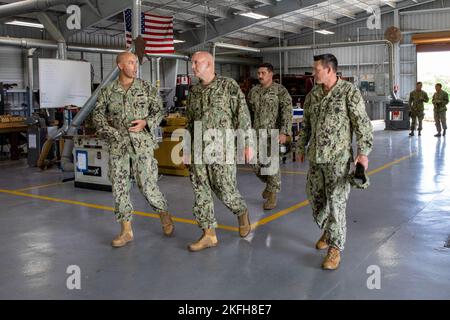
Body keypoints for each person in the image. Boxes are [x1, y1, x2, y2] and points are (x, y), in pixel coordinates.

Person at [295, 54, 373, 270]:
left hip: (339, 161)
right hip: (316, 160)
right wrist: (301, 147)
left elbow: (362, 124)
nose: (313, 73)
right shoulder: (313, 95)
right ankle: (329, 230)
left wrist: (363, 153)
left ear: (329, 70)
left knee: (336, 203)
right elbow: (307, 125)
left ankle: (335, 249)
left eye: (316, 69)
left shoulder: (349, 92)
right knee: (315, 198)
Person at [93, 51, 174, 248]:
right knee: (119, 187)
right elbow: (97, 116)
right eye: (130, 62)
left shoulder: (145, 87)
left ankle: (163, 213)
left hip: (142, 144)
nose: (135, 66)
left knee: (147, 186)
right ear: (120, 65)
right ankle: (126, 230)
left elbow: (159, 110)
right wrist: (111, 133)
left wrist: (146, 122)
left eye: (136, 62)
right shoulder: (108, 90)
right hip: (118, 144)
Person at [185, 51, 253, 252]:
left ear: (209, 64)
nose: (193, 66)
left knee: (225, 190)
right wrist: (187, 149)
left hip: (221, 148)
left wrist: (247, 143)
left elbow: (242, 114)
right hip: (198, 148)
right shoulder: (194, 91)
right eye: (193, 63)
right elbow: (189, 122)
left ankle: (241, 211)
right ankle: (208, 234)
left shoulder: (228, 85)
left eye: (196, 63)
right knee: (200, 190)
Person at [247, 62, 292, 210]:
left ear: (271, 74)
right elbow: (248, 113)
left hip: (274, 134)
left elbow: (287, 111)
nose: (259, 76)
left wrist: (284, 131)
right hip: (256, 133)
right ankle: (270, 184)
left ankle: (272, 194)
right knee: (255, 164)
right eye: (258, 73)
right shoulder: (253, 91)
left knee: (272, 165)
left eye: (263, 73)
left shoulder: (280, 91)